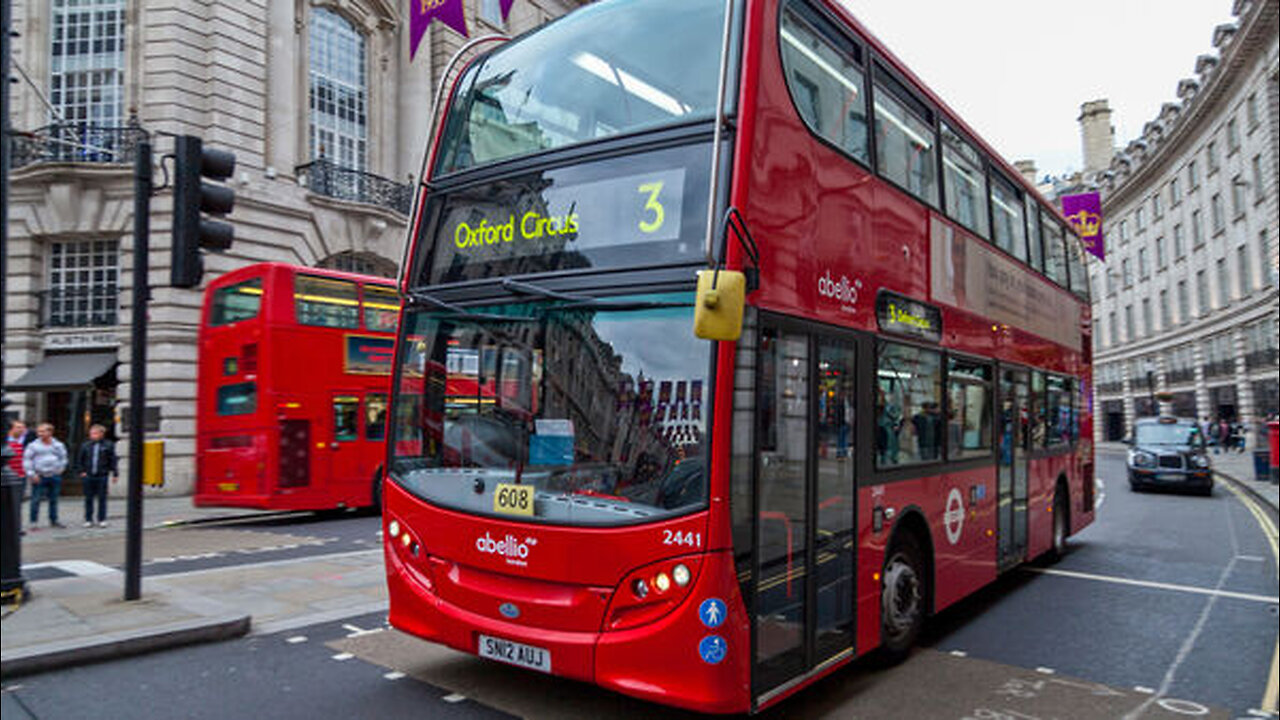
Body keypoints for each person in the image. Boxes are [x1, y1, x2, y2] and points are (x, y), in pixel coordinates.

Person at [24, 422, 69, 529]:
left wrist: (60, 469)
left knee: (54, 499)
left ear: (50, 432)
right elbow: (27, 460)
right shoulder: (33, 445)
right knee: (36, 499)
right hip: (39, 475)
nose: (40, 434)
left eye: (43, 431)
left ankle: (54, 520)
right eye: (39, 431)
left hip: (54, 475)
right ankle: (33, 522)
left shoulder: (58, 445)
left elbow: (63, 458)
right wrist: (31, 474)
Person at [77, 424, 118, 528]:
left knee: (102, 498)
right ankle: (88, 519)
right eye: (91, 433)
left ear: (101, 434)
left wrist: (114, 473)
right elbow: (80, 459)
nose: (92, 435)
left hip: (102, 474)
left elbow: (112, 459)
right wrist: (82, 471)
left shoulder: (108, 445)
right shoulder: (86, 445)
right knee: (88, 498)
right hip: (89, 474)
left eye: (95, 433)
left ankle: (102, 519)